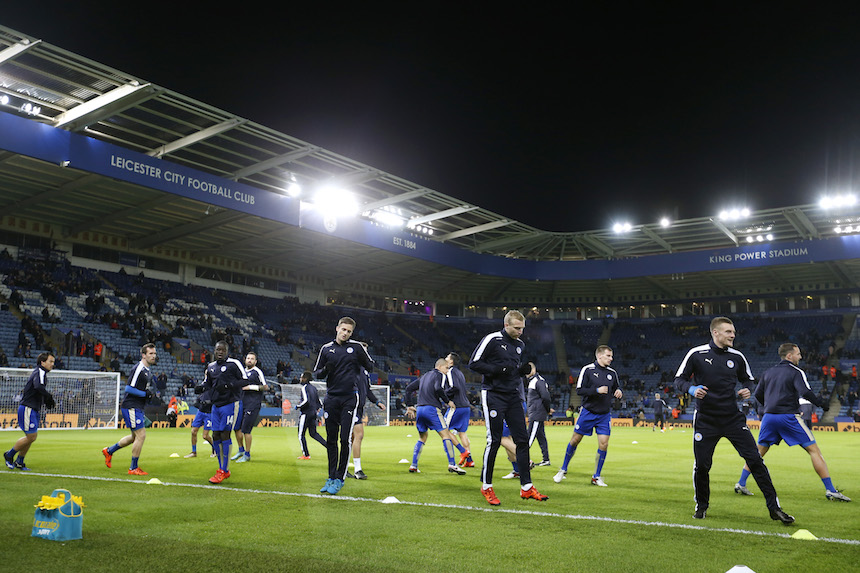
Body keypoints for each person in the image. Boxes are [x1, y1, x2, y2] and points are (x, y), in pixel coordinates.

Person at [674, 316, 795, 524]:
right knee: (702, 465)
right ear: (716, 333)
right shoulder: (696, 354)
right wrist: (692, 389)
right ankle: (701, 506)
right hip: (705, 419)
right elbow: (679, 380)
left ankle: (775, 509)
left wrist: (747, 388)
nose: (733, 335)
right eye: (729, 332)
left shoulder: (737, 357)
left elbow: (748, 378)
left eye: (733, 332)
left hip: (732, 418)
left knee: (756, 460)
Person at [734, 343, 850, 502]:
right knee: (814, 451)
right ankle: (830, 490)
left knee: (758, 453)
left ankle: (741, 483)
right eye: (798, 354)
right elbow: (805, 392)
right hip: (788, 416)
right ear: (789, 356)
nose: (800, 357)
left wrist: (769, 406)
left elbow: (758, 395)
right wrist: (821, 403)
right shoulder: (796, 372)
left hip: (769, 417)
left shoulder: (768, 372)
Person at [469, 310, 548, 505]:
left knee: (522, 440)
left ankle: (526, 487)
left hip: (513, 395)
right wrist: (499, 370)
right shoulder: (492, 339)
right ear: (506, 325)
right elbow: (474, 363)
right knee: (494, 440)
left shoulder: (520, 345)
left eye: (522, 328)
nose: (521, 332)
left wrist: (519, 373)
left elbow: (511, 372)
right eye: (517, 328)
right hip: (493, 394)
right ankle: (486, 486)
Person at [313, 317, 374, 495]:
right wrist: (326, 370)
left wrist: (362, 363)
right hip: (331, 398)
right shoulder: (326, 349)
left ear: (351, 333)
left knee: (345, 439)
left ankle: (340, 478)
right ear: (337, 328)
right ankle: (331, 477)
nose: (345, 333)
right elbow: (317, 373)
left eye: (349, 331)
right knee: (331, 439)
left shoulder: (356, 348)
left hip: (349, 398)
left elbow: (370, 365)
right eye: (343, 329)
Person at [553, 345, 622, 487]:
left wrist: (619, 391)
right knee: (575, 440)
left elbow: (616, 387)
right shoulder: (588, 370)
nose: (611, 358)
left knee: (604, 444)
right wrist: (597, 390)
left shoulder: (612, 373)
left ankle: (596, 476)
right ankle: (563, 469)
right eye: (608, 355)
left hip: (604, 414)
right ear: (599, 356)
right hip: (588, 412)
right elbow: (579, 390)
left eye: (611, 355)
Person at [404, 358, 467, 475]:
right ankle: (452, 464)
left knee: (422, 437)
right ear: (440, 367)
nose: (448, 371)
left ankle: (413, 465)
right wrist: (447, 401)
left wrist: (409, 405)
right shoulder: (440, 375)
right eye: (446, 368)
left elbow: (408, 389)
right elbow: (438, 388)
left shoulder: (424, 376)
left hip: (420, 409)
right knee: (446, 434)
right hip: (431, 409)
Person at [102, 343, 158, 476]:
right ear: (143, 355)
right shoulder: (138, 368)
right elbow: (129, 389)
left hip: (137, 406)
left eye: (154, 353)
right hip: (131, 406)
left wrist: (147, 394)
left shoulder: (147, 370)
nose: (153, 356)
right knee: (141, 435)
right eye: (150, 353)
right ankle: (133, 468)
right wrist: (145, 394)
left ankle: (109, 451)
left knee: (135, 437)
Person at [202, 340, 247, 484]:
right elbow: (208, 384)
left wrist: (229, 385)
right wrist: (201, 388)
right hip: (215, 406)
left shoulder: (234, 364)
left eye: (222, 350)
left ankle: (224, 470)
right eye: (217, 350)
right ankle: (222, 468)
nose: (220, 352)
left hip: (230, 404)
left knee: (225, 433)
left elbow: (245, 381)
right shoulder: (211, 367)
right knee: (215, 434)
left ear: (227, 351)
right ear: (214, 351)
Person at [4, 352, 55, 471]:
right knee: (31, 436)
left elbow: (37, 388)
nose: (53, 364)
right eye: (50, 361)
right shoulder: (40, 371)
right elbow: (38, 386)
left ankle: (20, 461)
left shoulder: (41, 372)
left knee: (31, 436)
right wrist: (48, 397)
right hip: (28, 408)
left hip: (33, 408)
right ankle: (9, 455)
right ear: (43, 362)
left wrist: (45, 399)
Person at [347, 364, 385, 479]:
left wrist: (377, 402)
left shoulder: (364, 372)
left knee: (352, 438)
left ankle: (343, 467)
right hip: (351, 406)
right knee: (359, 435)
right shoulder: (350, 368)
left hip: (359, 408)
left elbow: (367, 390)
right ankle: (357, 470)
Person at [234, 352, 268, 463]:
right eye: (248, 358)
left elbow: (265, 387)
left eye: (252, 359)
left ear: (255, 361)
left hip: (253, 404)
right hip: (241, 403)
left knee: (246, 430)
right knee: (236, 428)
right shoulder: (242, 372)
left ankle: (247, 455)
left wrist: (250, 387)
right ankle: (241, 450)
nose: (249, 360)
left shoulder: (257, 371)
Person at [443, 352, 474, 467]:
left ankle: (463, 451)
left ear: (451, 361)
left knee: (444, 430)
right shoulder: (460, 373)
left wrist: (444, 395)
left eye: (447, 357)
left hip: (456, 406)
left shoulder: (450, 371)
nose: (445, 358)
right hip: (465, 406)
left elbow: (454, 387)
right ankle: (470, 461)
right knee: (462, 433)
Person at [297, 371, 327, 459]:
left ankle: (306, 454)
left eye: (301, 377)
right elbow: (319, 403)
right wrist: (316, 411)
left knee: (301, 435)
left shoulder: (304, 387)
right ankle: (329, 447)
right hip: (313, 413)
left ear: (305, 378)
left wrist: (298, 406)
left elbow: (306, 401)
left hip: (306, 414)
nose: (300, 379)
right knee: (313, 433)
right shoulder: (314, 388)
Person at [527, 370, 553, 466]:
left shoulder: (538, 381)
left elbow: (545, 397)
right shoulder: (536, 380)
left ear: (533, 370)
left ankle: (522, 459)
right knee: (541, 437)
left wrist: (547, 409)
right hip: (537, 413)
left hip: (536, 414)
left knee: (528, 438)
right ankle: (546, 459)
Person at [184, 380, 215, 458]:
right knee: (193, 431)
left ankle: (215, 449)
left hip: (209, 413)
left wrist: (209, 403)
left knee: (205, 436)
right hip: (200, 412)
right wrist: (199, 403)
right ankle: (194, 452)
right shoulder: (204, 386)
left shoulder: (214, 387)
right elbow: (199, 398)